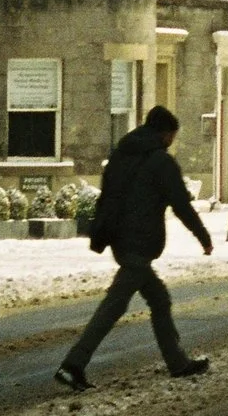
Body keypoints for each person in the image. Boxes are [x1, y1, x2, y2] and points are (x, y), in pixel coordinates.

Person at [55, 106, 212, 391]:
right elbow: (181, 205)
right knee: (113, 307)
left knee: (159, 300)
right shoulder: (160, 162)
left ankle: (178, 363)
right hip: (139, 244)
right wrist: (203, 236)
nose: (172, 141)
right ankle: (72, 364)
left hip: (119, 239)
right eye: (173, 136)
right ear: (165, 133)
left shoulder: (123, 154)